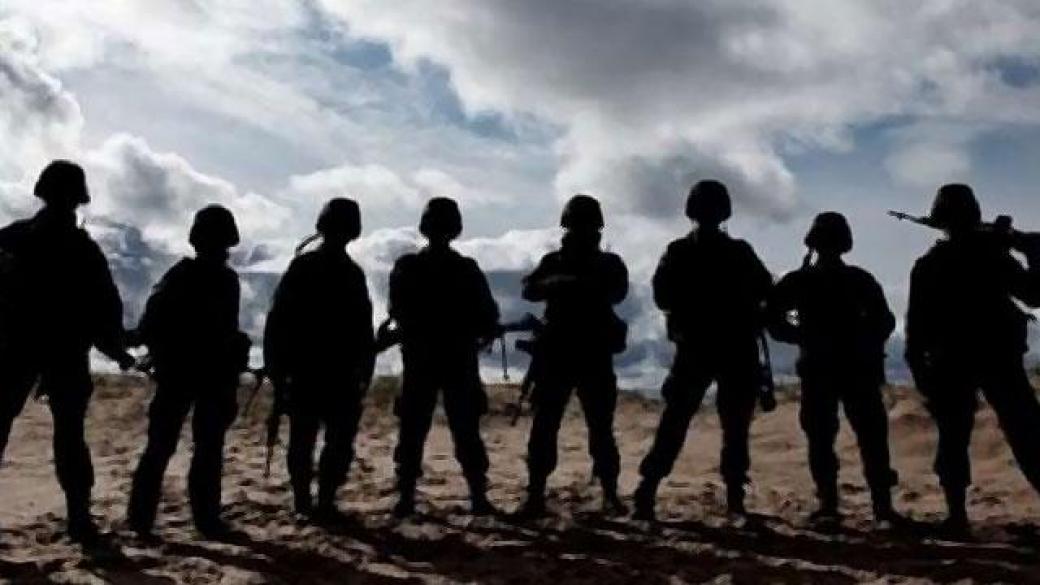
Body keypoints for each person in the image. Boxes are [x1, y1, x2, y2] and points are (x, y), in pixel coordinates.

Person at [0, 161, 134, 543]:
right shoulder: (83, 250)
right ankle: (79, 519)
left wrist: (115, 349)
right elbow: (104, 311)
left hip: (17, 349)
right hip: (60, 352)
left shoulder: (13, 238)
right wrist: (117, 351)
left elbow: (102, 309)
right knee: (70, 437)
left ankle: (80, 518)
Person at [633, 180, 772, 521]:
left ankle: (648, 490)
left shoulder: (681, 251)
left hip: (702, 347)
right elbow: (765, 290)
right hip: (727, 347)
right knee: (730, 426)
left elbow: (663, 296)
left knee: (680, 420)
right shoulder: (736, 252)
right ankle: (733, 498)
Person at [906, 184, 1040, 534]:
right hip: (996, 357)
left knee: (955, 437)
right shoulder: (992, 256)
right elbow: (1034, 294)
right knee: (1026, 433)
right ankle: (956, 517)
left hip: (955, 361)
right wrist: (1033, 252)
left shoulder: (930, 264)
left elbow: (915, 329)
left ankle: (957, 517)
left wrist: (920, 371)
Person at [766, 212, 900, 525]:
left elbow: (774, 319)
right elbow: (884, 321)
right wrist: (862, 339)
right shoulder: (858, 280)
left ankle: (830, 505)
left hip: (822, 368)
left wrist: (801, 333)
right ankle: (880, 507)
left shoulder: (800, 281)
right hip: (853, 369)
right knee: (868, 438)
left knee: (824, 440)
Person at [127, 205, 249, 540]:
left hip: (183, 373)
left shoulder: (183, 276)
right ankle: (203, 520)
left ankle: (143, 520)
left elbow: (149, 326)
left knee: (167, 447)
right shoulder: (223, 280)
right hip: (201, 375)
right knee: (202, 449)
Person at [516, 194, 629, 518]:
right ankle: (536, 493)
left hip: (591, 352)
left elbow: (618, 292)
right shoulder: (554, 262)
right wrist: (558, 283)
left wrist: (580, 285)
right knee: (546, 425)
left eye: (586, 227)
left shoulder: (608, 264)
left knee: (599, 428)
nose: (581, 233)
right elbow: (529, 289)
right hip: (559, 353)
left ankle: (609, 492)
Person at [263, 198, 375, 523]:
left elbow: (277, 321)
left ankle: (311, 501)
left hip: (317, 371)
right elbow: (279, 321)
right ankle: (315, 500)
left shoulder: (312, 268)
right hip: (324, 371)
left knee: (313, 439)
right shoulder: (345, 272)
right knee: (321, 440)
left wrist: (277, 369)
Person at [387, 197, 499, 518]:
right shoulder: (465, 269)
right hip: (455, 359)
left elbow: (396, 310)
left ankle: (407, 496)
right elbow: (487, 316)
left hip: (423, 359)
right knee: (463, 430)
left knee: (414, 429)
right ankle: (477, 495)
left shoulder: (408, 267)